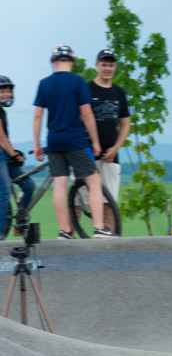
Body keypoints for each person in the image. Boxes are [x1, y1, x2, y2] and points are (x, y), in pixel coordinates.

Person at [33, 45, 118, 239]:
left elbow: (38, 116)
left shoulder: (44, 84)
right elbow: (87, 114)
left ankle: (65, 231)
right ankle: (99, 228)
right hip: (76, 140)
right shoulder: (78, 82)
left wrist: (37, 144)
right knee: (94, 181)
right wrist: (95, 142)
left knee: (60, 184)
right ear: (72, 62)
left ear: (53, 62)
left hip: (54, 141)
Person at [87, 49, 130, 202]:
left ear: (115, 66)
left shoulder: (119, 93)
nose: (107, 69)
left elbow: (125, 123)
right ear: (97, 65)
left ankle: (110, 228)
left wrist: (116, 148)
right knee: (81, 202)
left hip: (110, 155)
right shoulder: (87, 89)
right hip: (87, 153)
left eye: (110, 65)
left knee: (110, 202)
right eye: (104, 65)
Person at [0, 76, 35, 238]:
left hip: (5, 155)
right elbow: (0, 138)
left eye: (9, 91)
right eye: (2, 91)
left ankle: (20, 222)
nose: (7, 94)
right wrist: (12, 153)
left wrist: (15, 152)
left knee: (29, 185)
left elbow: (5, 139)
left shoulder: (3, 112)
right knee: (5, 191)